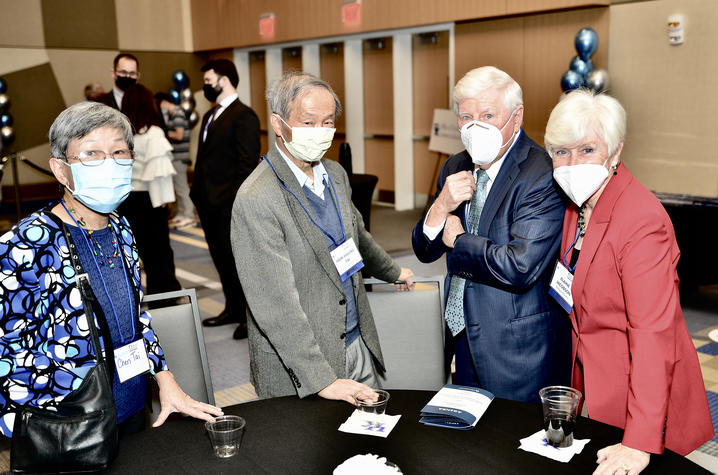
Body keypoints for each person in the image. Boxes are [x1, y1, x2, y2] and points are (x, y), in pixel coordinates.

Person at [0, 101, 222, 440]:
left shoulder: (120, 227)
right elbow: (9, 352)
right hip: (71, 426)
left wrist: (165, 380)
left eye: (119, 152)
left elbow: (136, 315)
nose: (109, 163)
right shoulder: (26, 244)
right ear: (61, 170)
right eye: (91, 154)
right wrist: (64, 422)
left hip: (133, 406)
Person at [544, 89, 713, 473]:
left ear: (616, 152)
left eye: (587, 150)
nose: (571, 163)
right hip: (592, 379)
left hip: (639, 396)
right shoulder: (579, 206)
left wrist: (639, 442)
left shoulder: (641, 221)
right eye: (560, 152)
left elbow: (653, 335)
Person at [232, 71, 415, 404]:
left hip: (355, 341)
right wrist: (323, 380)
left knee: (371, 444)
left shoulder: (335, 174)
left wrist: (394, 271)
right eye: (308, 122)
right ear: (278, 124)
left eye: (327, 122)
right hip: (302, 367)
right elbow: (276, 306)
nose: (320, 132)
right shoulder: (257, 198)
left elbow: (356, 234)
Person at [411, 66, 570, 404]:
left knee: (514, 443)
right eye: (466, 116)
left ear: (517, 116)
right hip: (460, 331)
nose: (475, 126)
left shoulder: (541, 172)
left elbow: (520, 266)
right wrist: (441, 206)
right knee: (468, 441)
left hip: (514, 343)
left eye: (487, 115)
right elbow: (424, 251)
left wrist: (458, 241)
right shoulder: (455, 165)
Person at [191, 59, 260, 339]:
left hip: (229, 205)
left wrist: (231, 201)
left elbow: (247, 166)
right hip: (208, 204)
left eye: (209, 81)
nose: (205, 86)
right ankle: (232, 308)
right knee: (220, 259)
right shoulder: (210, 116)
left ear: (225, 79)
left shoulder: (244, 116)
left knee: (239, 263)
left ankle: (250, 317)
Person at [118, 84, 181, 296]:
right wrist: (165, 203)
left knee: (132, 252)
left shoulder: (120, 134)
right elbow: (159, 173)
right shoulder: (154, 133)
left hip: (125, 200)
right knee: (159, 254)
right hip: (150, 200)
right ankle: (164, 298)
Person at [155, 92, 197, 229]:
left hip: (180, 157)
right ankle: (182, 213)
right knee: (178, 188)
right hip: (176, 157)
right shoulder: (174, 114)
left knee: (182, 188)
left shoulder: (177, 113)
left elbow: (179, 135)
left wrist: (164, 133)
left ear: (164, 102)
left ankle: (189, 216)